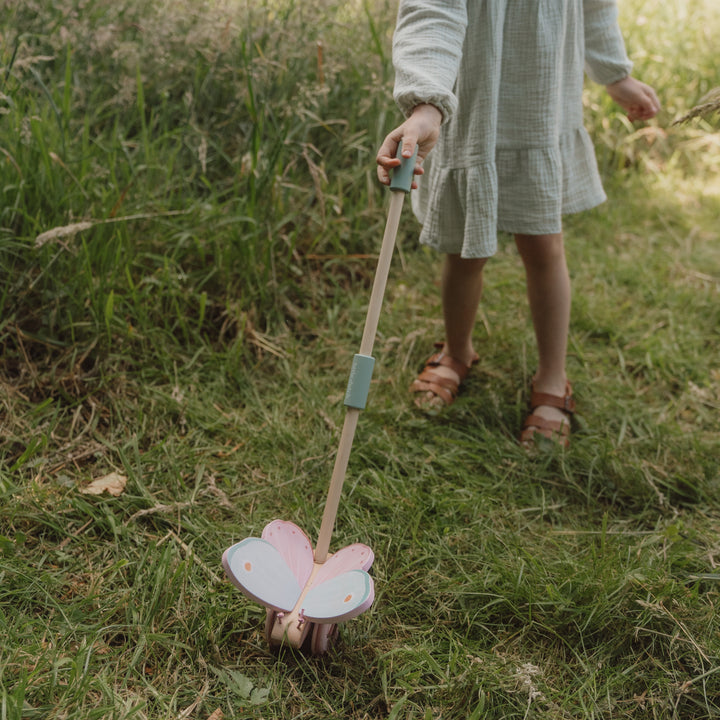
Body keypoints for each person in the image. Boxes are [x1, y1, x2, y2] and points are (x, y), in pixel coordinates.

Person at [376, 0, 660, 447]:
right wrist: (426, 104)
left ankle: (552, 377)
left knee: (544, 247)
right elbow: (433, 11)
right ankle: (456, 352)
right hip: (471, 107)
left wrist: (615, 76)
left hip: (540, 107)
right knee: (465, 249)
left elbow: (596, 6)